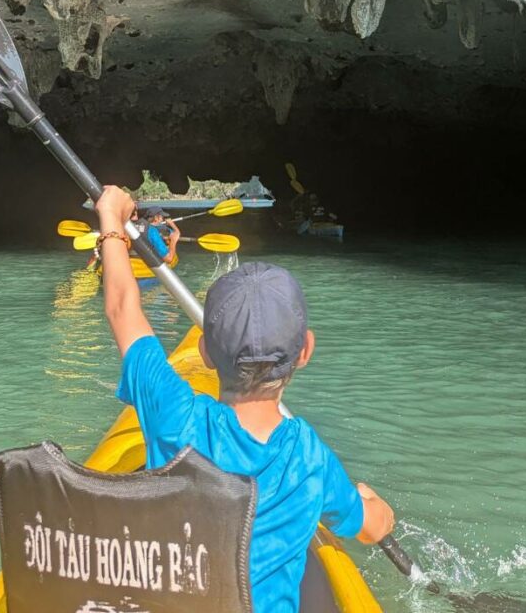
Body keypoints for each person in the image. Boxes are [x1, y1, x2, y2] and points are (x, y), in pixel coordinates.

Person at [95, 185, 395, 613]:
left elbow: (123, 308)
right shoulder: (308, 457)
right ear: (305, 351)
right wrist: (373, 504)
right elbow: (372, 528)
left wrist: (112, 218)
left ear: (204, 354)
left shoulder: (173, 416)